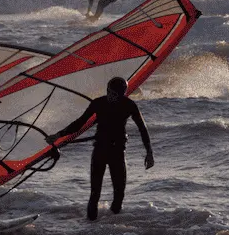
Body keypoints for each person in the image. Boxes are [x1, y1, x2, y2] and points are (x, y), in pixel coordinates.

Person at [49, 75, 152, 220]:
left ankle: (112, 227)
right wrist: (58, 135)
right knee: (95, 193)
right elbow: (80, 123)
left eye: (115, 94)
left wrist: (149, 152)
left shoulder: (129, 105)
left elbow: (142, 129)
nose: (111, 96)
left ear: (123, 94)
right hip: (100, 151)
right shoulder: (98, 103)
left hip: (118, 152)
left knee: (119, 194)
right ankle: (90, 227)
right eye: (109, 92)